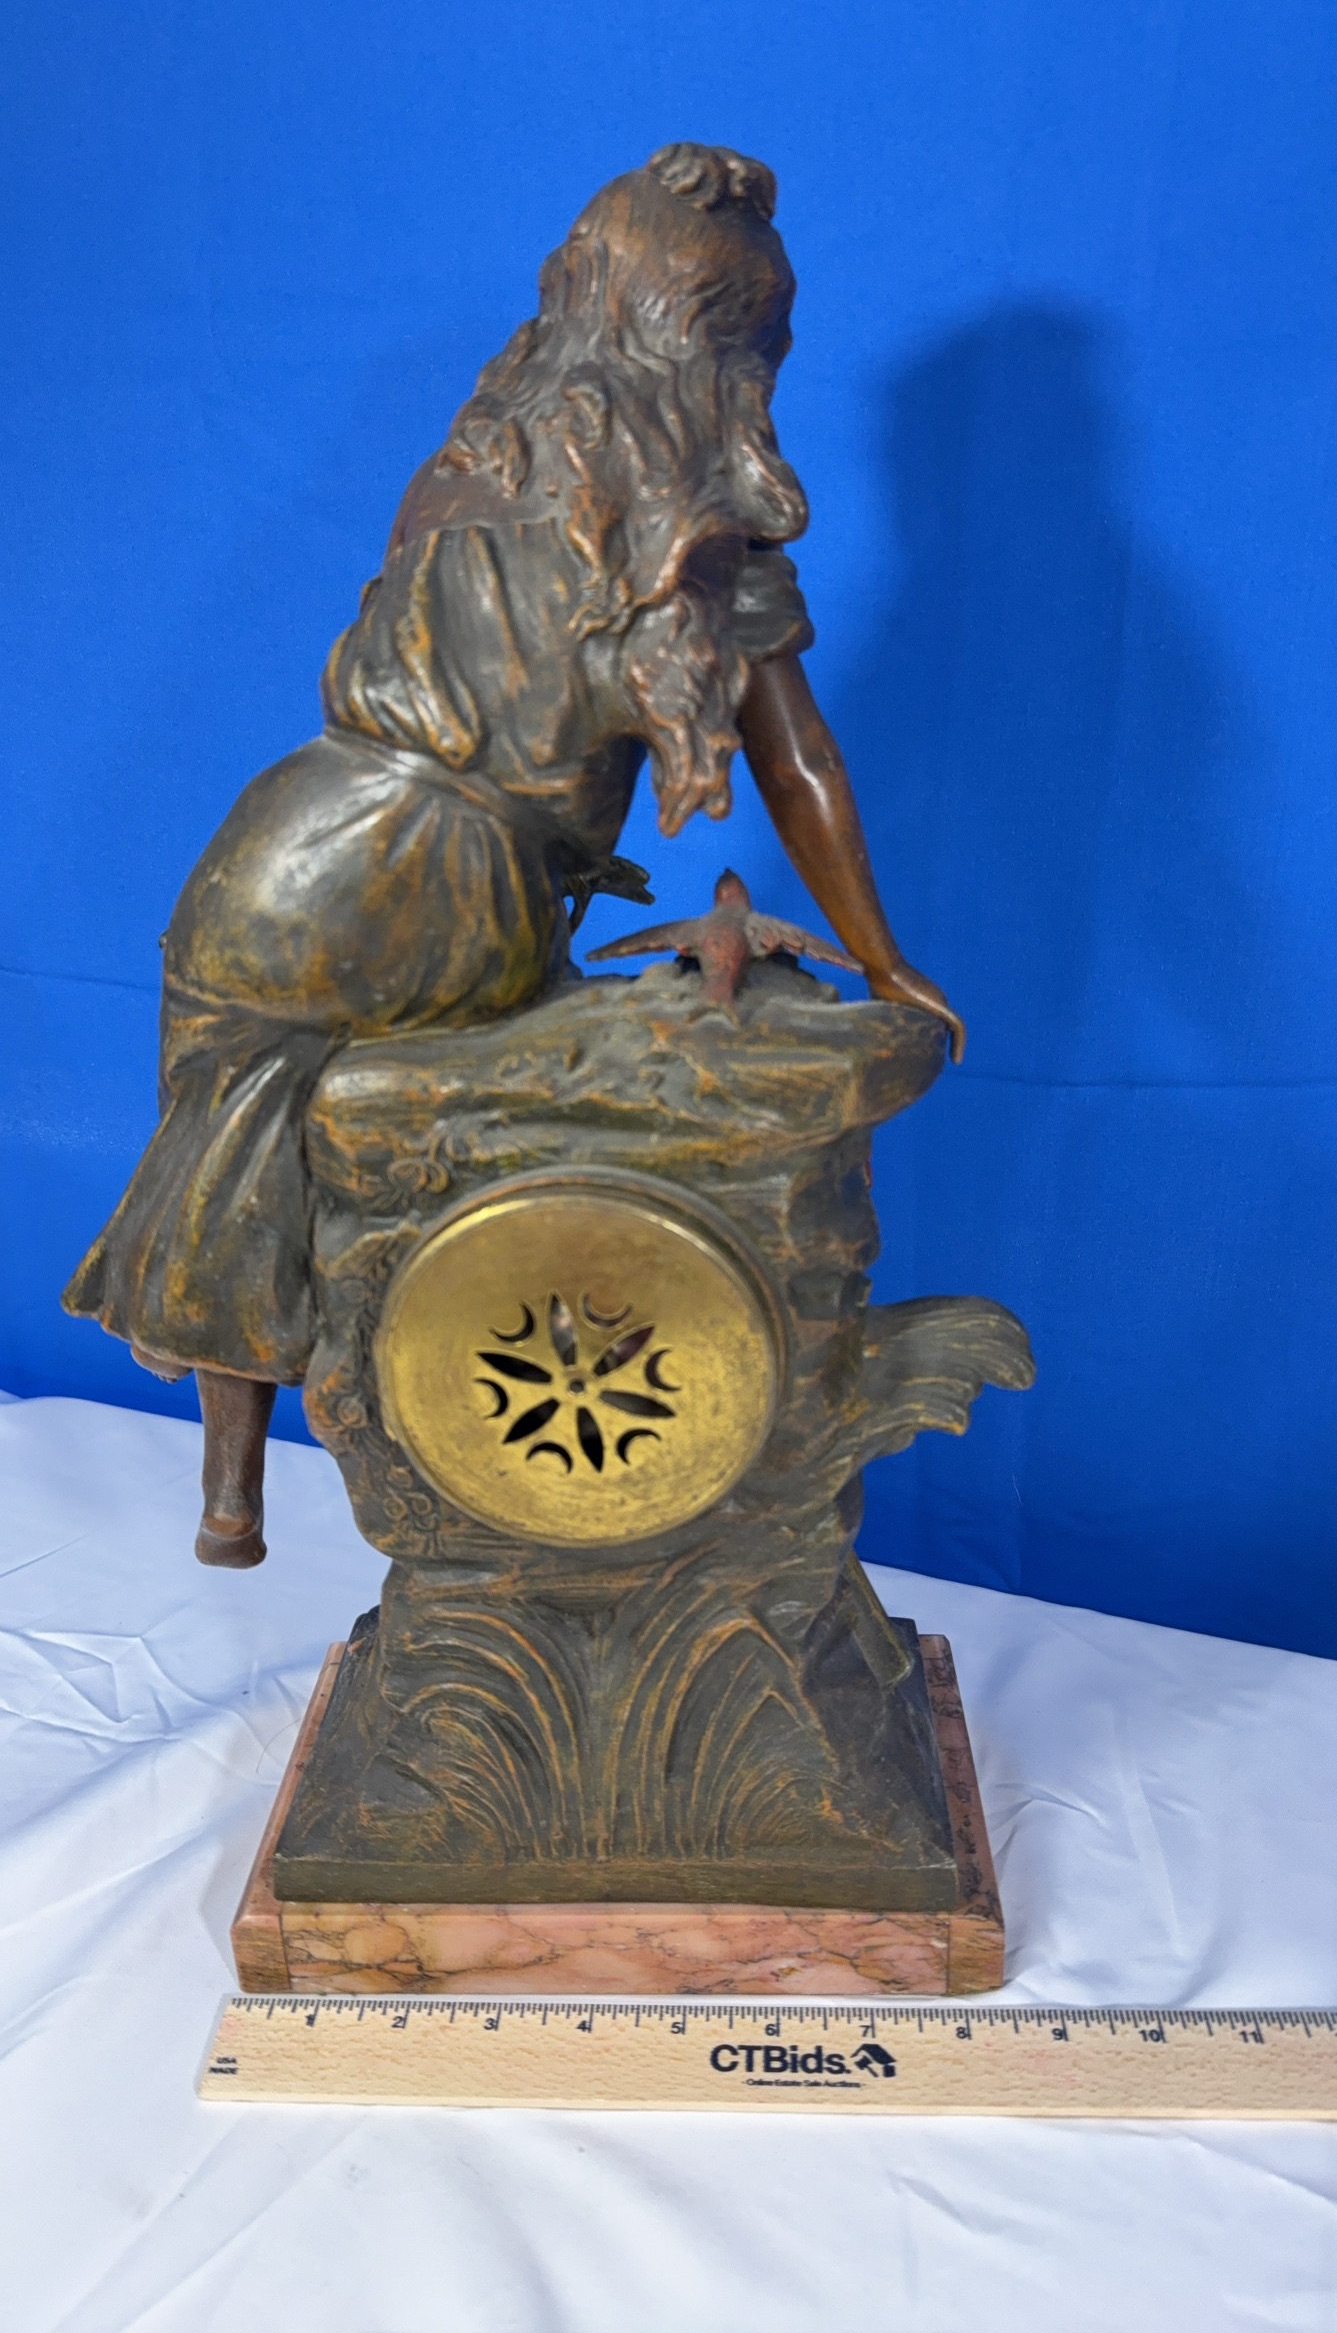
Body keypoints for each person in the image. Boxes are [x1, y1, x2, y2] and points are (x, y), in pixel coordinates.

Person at [63, 141, 963, 1568]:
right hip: (445, 884)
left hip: (276, 847)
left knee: (229, 1133)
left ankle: (233, 1498)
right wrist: (880, 956)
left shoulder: (477, 454)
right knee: (381, 1138)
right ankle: (506, 1475)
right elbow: (798, 764)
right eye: (761, 341)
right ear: (721, 346)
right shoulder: (705, 528)